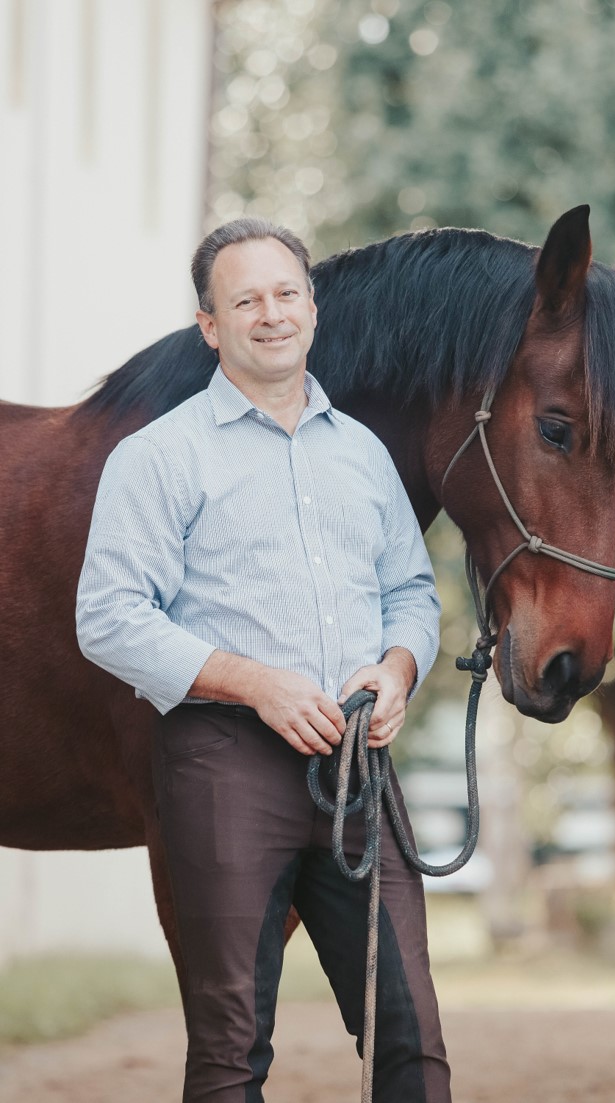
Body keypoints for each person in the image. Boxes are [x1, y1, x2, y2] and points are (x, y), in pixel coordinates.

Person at [76, 217, 450, 1101]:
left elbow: (413, 592)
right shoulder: (158, 458)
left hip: (360, 772)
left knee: (412, 1039)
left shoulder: (362, 455)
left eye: (286, 293)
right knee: (231, 1046)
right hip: (224, 768)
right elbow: (108, 617)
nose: (270, 313)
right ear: (210, 325)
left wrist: (397, 668)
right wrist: (254, 682)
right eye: (244, 299)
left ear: (313, 309)